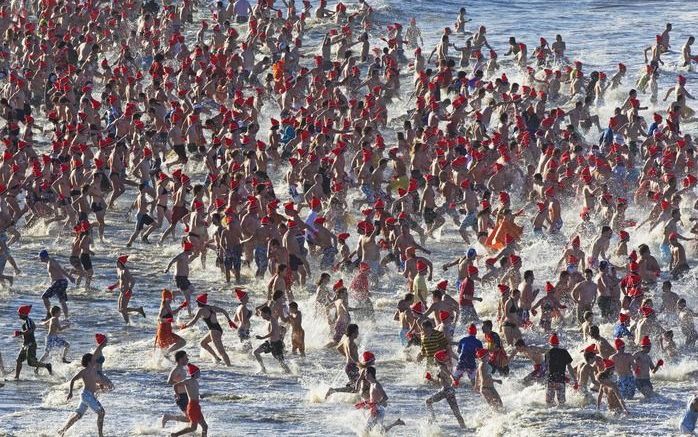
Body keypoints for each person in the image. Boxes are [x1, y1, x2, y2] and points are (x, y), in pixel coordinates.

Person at [58, 353, 106, 437]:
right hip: (87, 395)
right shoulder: (84, 371)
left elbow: (93, 384)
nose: (95, 361)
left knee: (78, 415)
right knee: (101, 412)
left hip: (87, 396)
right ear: (88, 362)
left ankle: (62, 430)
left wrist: (100, 386)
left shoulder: (94, 371)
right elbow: (73, 380)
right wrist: (70, 392)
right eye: (93, 360)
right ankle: (100, 435)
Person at [180, 293, 234, 366]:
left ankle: (229, 366)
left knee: (222, 352)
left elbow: (193, 321)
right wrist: (229, 321)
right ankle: (216, 357)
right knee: (203, 343)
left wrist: (185, 326)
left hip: (214, 331)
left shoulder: (201, 310)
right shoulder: (211, 307)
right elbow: (223, 311)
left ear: (198, 303)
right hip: (218, 329)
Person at [425, 349, 466, 428]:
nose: (434, 359)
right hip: (450, 391)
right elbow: (439, 383)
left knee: (428, 402)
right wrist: (431, 379)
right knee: (456, 412)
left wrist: (454, 379)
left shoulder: (441, 367)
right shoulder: (443, 367)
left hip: (445, 391)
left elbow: (450, 375)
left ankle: (433, 419)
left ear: (438, 359)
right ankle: (464, 428)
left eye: (434, 358)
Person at [14, 304, 52, 379]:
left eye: (20, 313)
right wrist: (21, 335)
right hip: (25, 344)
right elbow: (28, 331)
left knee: (31, 363)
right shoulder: (26, 321)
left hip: (31, 344)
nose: (19, 315)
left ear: (25, 314)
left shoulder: (29, 321)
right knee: (18, 360)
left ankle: (47, 365)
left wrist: (21, 333)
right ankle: (16, 377)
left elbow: (31, 330)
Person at [170, 363, 208, 437]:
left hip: (197, 406)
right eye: (198, 372)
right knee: (193, 428)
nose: (200, 374)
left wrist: (200, 395)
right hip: (192, 406)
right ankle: (175, 434)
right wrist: (177, 394)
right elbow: (175, 385)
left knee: (205, 426)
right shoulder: (188, 381)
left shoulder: (196, 382)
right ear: (194, 373)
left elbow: (195, 393)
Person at [326, 323, 360, 398]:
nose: (358, 333)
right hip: (352, 366)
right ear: (353, 332)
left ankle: (337, 390)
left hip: (350, 366)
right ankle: (333, 390)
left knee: (355, 387)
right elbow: (351, 354)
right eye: (357, 332)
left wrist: (346, 355)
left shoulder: (346, 340)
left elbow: (338, 348)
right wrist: (359, 364)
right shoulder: (350, 341)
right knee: (355, 388)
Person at [39, 249, 75, 320]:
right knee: (62, 300)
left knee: (44, 297)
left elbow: (60, 269)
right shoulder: (49, 262)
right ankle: (66, 318)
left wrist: (70, 277)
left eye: (40, 257)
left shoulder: (51, 261)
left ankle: (49, 315)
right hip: (62, 282)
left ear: (44, 257)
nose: (40, 259)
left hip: (59, 282)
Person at [254, 306, 291, 374]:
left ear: (267, 313)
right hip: (270, 343)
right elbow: (280, 329)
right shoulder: (271, 320)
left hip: (276, 345)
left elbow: (273, 332)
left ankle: (291, 375)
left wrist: (262, 337)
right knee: (256, 352)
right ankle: (263, 369)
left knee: (282, 363)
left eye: (262, 314)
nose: (261, 316)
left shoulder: (272, 320)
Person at [544, 333, 576, 406]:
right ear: (558, 343)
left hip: (550, 380)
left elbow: (547, 368)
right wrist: (574, 379)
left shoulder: (547, 353)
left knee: (549, 403)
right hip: (560, 380)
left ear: (550, 343)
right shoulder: (564, 352)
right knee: (562, 403)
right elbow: (569, 367)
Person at [161, 350, 190, 428]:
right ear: (180, 359)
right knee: (189, 418)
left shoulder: (182, 368)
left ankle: (188, 431)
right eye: (186, 358)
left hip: (185, 395)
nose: (187, 359)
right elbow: (169, 381)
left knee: (190, 417)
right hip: (180, 396)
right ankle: (168, 417)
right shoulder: (177, 369)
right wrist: (180, 385)